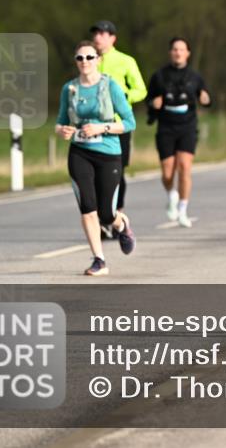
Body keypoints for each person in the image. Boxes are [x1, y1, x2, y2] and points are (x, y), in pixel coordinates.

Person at [55, 40, 137, 276]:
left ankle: (122, 225)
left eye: (90, 57)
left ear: (98, 61)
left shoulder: (110, 87)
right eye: (80, 58)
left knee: (106, 213)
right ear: (76, 62)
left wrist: (102, 129)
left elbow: (129, 122)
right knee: (87, 208)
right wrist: (63, 131)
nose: (85, 62)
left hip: (109, 154)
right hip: (79, 152)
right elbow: (61, 121)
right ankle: (99, 260)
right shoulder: (69, 89)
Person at [91, 21, 147, 238]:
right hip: (92, 125)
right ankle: (100, 218)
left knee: (116, 171)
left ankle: (116, 215)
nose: (98, 37)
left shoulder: (126, 61)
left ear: (113, 38)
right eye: (96, 33)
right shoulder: (89, 60)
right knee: (93, 173)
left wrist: (125, 97)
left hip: (117, 125)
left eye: (103, 33)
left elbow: (141, 89)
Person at [146, 37, 211, 227]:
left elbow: (205, 96)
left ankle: (183, 209)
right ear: (170, 52)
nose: (178, 53)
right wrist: (153, 104)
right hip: (166, 126)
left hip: (187, 126)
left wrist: (206, 98)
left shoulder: (195, 77)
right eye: (175, 49)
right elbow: (149, 100)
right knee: (167, 173)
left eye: (182, 50)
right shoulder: (159, 76)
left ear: (188, 53)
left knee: (184, 167)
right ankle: (171, 195)